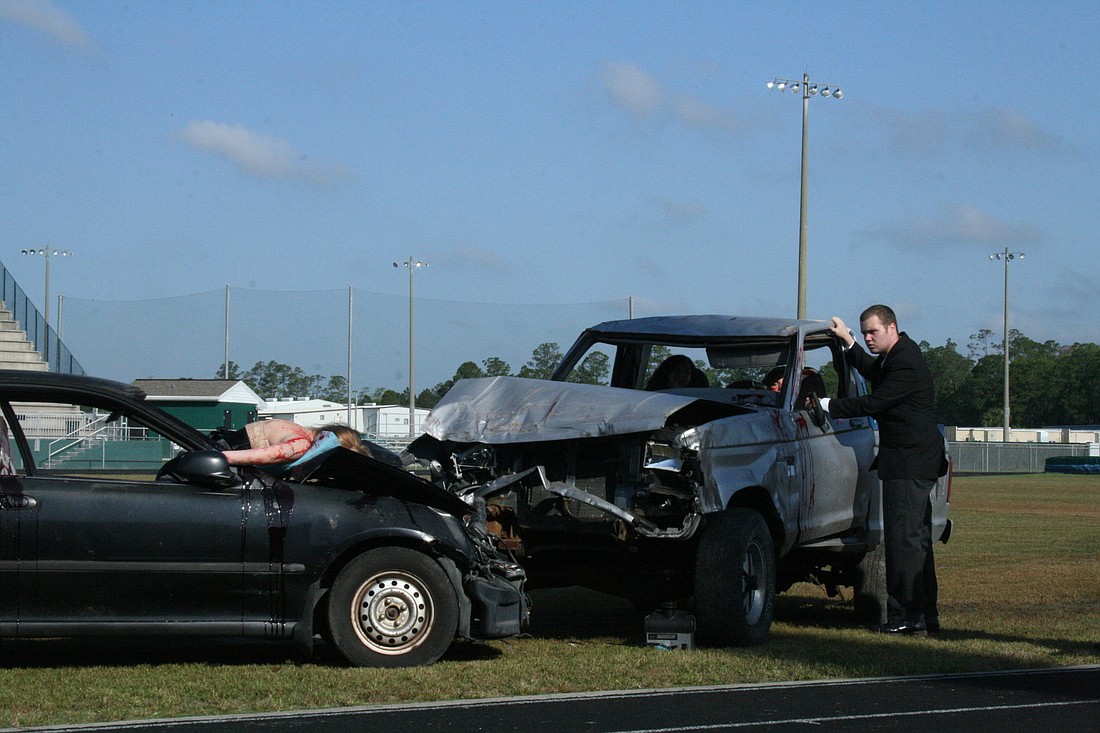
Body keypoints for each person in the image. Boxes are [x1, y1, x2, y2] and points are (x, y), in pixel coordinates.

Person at [820, 304, 947, 636]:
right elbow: (873, 371)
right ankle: (923, 615)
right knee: (915, 540)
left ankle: (906, 616)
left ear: (892, 327)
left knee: (903, 541)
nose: (868, 338)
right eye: (864, 333)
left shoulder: (904, 362)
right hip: (913, 461)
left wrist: (826, 405)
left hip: (909, 462)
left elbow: (875, 403)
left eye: (873, 332)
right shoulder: (897, 356)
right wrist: (847, 341)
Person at [220, 419, 369, 466]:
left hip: (222, 441)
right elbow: (265, 455)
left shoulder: (296, 427)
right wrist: (216, 457)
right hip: (223, 452)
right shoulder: (300, 445)